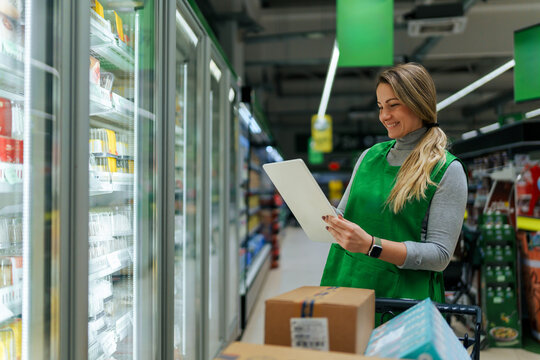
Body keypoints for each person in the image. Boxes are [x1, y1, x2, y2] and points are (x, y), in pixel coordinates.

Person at [320, 63, 467, 305]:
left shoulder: (446, 170)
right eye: (380, 107)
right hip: (347, 285)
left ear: (418, 102)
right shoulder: (369, 157)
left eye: (393, 105)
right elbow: (343, 215)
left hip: (402, 302)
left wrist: (372, 246)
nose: (384, 116)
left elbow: (440, 255)